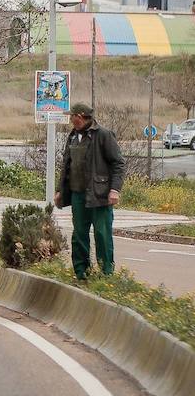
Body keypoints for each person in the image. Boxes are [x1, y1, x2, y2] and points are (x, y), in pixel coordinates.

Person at [55, 103, 126, 280]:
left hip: (99, 195)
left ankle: (106, 274)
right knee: (79, 235)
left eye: (72, 116)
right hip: (78, 195)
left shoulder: (103, 135)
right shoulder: (72, 136)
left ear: (80, 116)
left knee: (102, 235)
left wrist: (115, 190)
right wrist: (60, 191)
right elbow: (66, 165)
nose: (70, 120)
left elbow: (118, 163)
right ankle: (81, 272)